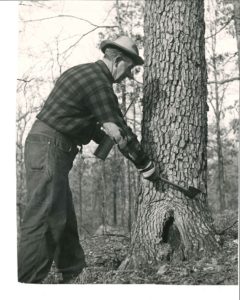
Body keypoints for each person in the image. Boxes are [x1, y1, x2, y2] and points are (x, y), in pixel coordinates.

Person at [18, 36, 157, 284]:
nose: (128, 76)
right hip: (50, 147)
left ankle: (73, 272)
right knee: (43, 218)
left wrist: (100, 135)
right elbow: (121, 131)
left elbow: (73, 116)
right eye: (129, 68)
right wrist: (145, 164)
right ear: (117, 60)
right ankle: (26, 284)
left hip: (46, 144)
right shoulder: (99, 84)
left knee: (61, 212)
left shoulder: (81, 73)